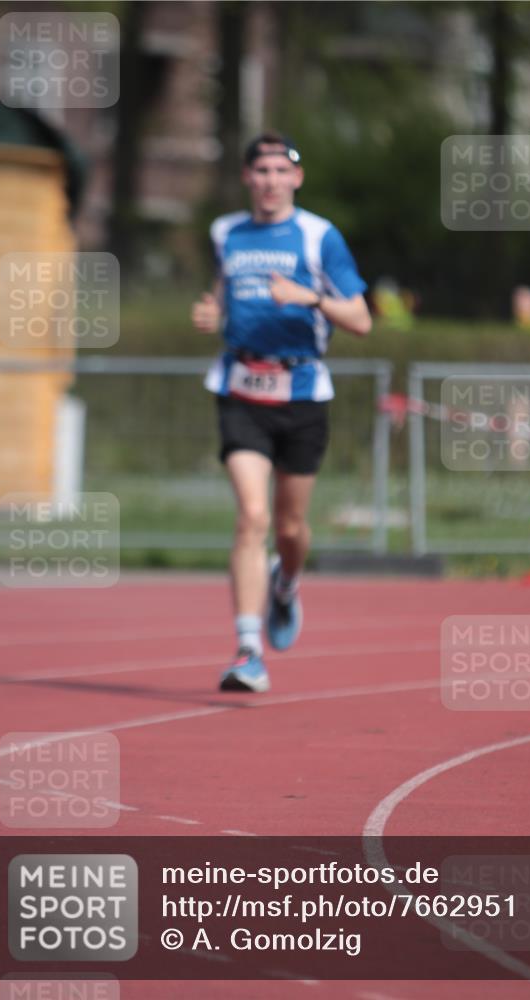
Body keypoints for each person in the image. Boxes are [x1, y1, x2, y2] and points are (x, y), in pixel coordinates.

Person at [192, 131, 371, 693]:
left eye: (280, 172)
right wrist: (211, 309)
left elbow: (362, 319)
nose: (270, 182)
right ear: (247, 177)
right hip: (240, 388)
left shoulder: (320, 238)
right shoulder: (226, 232)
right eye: (260, 171)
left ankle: (287, 582)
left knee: (291, 528)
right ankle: (248, 650)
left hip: (301, 393)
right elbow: (225, 287)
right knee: (253, 517)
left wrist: (310, 298)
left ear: (296, 178)